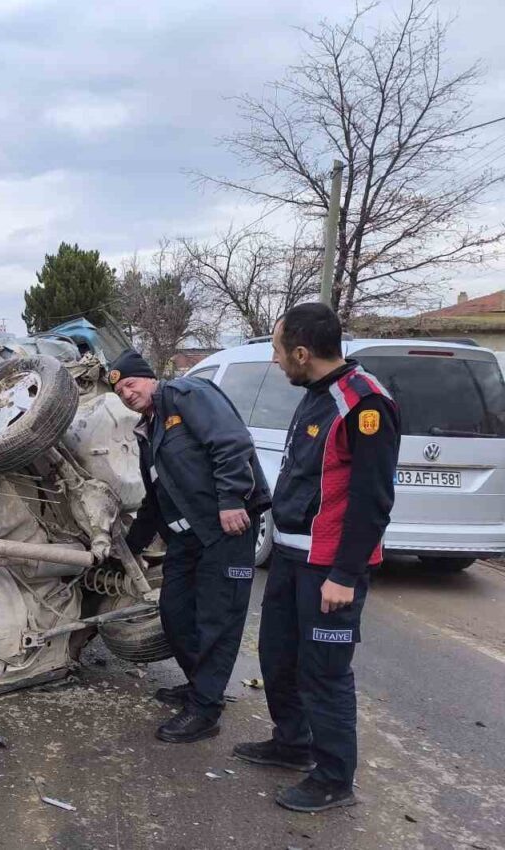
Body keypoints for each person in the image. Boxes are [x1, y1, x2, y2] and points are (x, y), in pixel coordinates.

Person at [232, 303, 400, 813]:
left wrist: (345, 574)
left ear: (302, 353)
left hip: (329, 568)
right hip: (289, 554)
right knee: (277, 656)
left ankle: (333, 778)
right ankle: (292, 743)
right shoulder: (316, 394)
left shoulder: (364, 403)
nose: (275, 359)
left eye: (278, 350)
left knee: (324, 672)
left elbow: (372, 500)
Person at [110, 349, 271, 744]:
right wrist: (128, 548)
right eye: (119, 392)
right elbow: (154, 502)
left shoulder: (188, 395)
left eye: (130, 384)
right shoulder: (148, 431)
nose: (127, 394)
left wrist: (231, 499)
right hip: (187, 536)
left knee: (217, 618)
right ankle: (200, 685)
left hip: (226, 530)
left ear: (149, 377)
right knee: (175, 611)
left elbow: (231, 442)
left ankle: (205, 709)